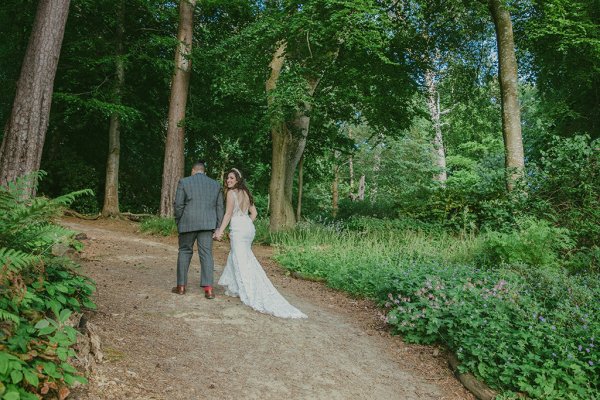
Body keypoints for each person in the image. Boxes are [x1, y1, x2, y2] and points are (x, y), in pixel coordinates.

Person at [214, 168, 307, 319]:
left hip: (238, 228)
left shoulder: (231, 194)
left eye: (231, 178)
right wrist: (246, 224)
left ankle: (249, 290)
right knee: (239, 256)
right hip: (248, 228)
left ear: (237, 179)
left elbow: (228, 214)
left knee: (242, 260)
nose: (228, 180)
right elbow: (254, 214)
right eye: (227, 178)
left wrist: (220, 231)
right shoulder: (246, 193)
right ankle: (235, 288)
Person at [173, 160, 224, 299]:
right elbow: (220, 208)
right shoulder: (215, 184)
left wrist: (178, 221)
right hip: (207, 225)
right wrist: (218, 227)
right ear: (204, 172)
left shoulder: (184, 182)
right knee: (206, 254)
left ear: (193, 171)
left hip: (187, 223)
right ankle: (208, 290)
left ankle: (181, 287)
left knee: (184, 251)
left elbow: (178, 205)